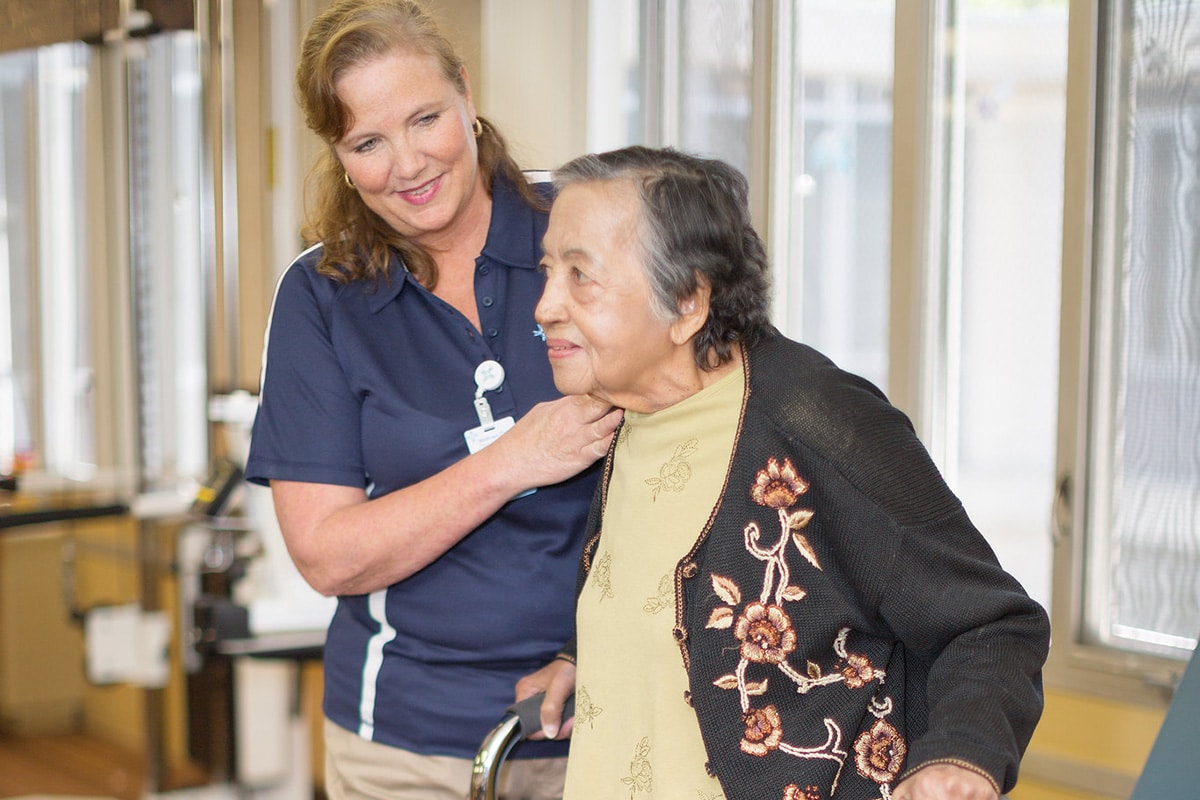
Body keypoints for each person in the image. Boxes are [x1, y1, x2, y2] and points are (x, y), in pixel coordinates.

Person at [525, 145, 1051, 800]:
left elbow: (990, 623)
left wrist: (961, 756)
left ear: (687, 301)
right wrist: (587, 657)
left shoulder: (816, 421)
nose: (545, 305)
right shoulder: (624, 414)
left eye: (581, 277)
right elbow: (661, 594)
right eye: (547, 270)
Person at [244, 2, 621, 798]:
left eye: (425, 119)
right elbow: (327, 554)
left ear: (465, 94)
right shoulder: (322, 296)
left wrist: (598, 652)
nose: (408, 163)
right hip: (406, 744)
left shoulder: (590, 229)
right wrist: (515, 459)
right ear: (340, 158)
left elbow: (703, 457)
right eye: (368, 143)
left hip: (617, 716)